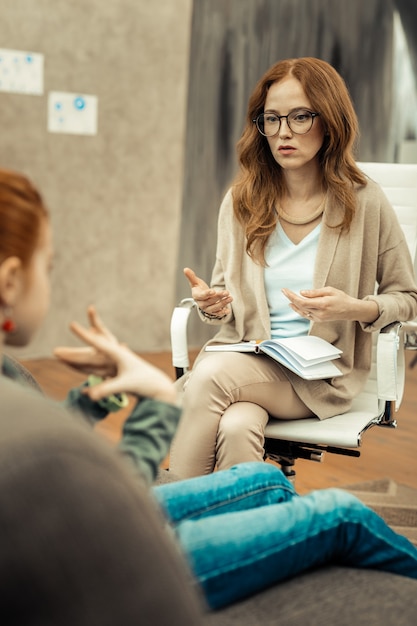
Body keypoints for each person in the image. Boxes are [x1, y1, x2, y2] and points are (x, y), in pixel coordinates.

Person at [1, 166, 417, 613]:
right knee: (341, 514)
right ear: (10, 283)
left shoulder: (11, 381)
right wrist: (158, 401)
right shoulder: (39, 462)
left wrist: (106, 392)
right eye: (49, 266)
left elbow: (55, 451)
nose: (282, 132)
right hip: (124, 557)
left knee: (260, 476)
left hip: (99, 526)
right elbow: (86, 489)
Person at [168, 56, 417, 479]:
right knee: (237, 424)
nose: (284, 132)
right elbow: (224, 303)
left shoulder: (365, 201)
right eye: (272, 118)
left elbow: (407, 299)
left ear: (330, 120)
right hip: (249, 356)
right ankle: (245, 537)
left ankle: (167, 518)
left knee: (209, 376)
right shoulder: (240, 202)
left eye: (301, 117)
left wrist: (352, 309)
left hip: (318, 378)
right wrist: (212, 304)